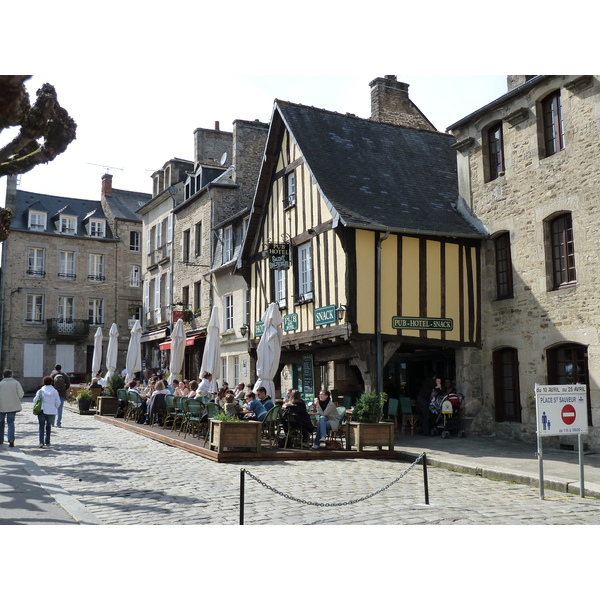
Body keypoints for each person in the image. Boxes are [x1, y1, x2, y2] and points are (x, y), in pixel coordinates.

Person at [0, 369, 24, 447]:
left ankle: (0, 439)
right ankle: (11, 439)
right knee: (10, 422)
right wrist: (16, 399)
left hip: (1, 406)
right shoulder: (16, 383)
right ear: (11, 375)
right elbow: (21, 394)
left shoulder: (1, 384)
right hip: (12, 407)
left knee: (1, 423)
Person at [35, 375, 61, 448]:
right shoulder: (55, 391)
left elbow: (35, 400)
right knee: (48, 426)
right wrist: (54, 407)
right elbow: (58, 402)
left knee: (41, 426)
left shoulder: (40, 391)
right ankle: (47, 441)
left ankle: (41, 442)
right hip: (51, 410)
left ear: (44, 382)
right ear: (51, 382)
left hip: (42, 410)